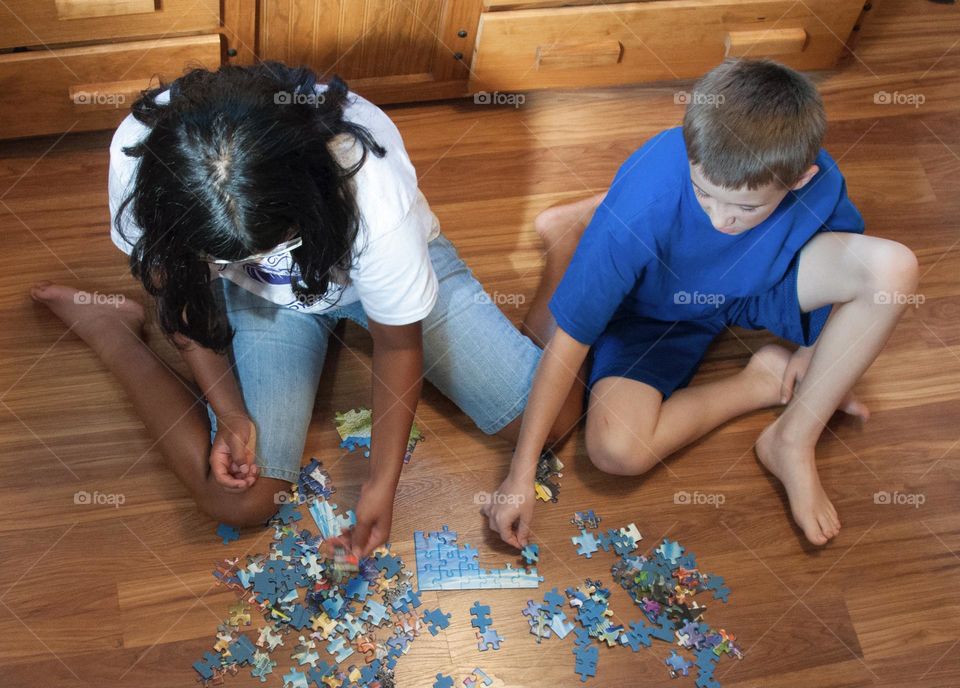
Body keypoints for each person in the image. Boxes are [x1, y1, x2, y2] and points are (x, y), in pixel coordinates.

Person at [30, 62, 581, 557]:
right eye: (217, 258)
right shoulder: (139, 160)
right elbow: (181, 297)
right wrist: (231, 413)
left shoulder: (369, 186)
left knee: (555, 417)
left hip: (372, 279)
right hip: (264, 303)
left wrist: (378, 484)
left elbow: (397, 342)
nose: (231, 264)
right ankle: (110, 330)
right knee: (238, 502)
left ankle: (565, 242)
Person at [484, 58, 919, 548]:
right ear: (691, 156)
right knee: (615, 448)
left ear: (800, 179)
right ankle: (756, 381)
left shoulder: (817, 182)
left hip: (755, 287)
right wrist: (521, 474)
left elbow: (846, 265)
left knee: (894, 268)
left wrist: (815, 351)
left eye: (746, 207)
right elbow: (570, 339)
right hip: (652, 312)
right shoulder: (644, 209)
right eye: (704, 195)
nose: (721, 220)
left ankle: (792, 440)